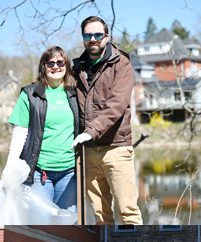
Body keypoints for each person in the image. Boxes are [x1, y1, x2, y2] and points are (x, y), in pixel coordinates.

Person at [71, 15, 142, 224]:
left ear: (106, 36)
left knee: (128, 212)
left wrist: (90, 131)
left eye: (98, 34)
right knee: (101, 217)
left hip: (116, 149)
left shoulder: (121, 64)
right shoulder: (77, 68)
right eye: (88, 35)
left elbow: (116, 106)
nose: (93, 39)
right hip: (89, 151)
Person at [7, 45, 79, 209]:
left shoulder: (75, 94)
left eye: (60, 63)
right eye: (50, 63)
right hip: (39, 172)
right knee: (43, 217)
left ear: (66, 65)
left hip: (70, 173)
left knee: (66, 221)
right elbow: (19, 132)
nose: (55, 67)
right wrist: (10, 165)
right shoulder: (30, 94)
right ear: (43, 66)